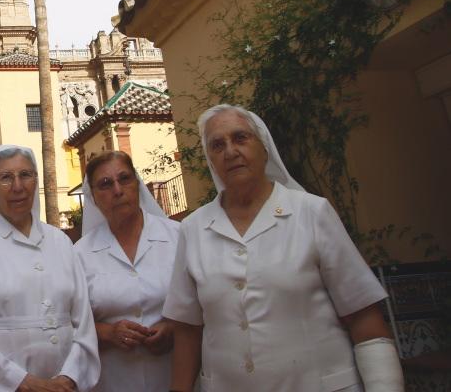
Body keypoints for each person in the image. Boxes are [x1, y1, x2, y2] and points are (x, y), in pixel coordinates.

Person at [164, 104, 404, 392]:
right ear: (210, 160)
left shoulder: (311, 213)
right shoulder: (193, 229)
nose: (230, 151)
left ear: (264, 148)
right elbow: (188, 330)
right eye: (217, 145)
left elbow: (363, 317)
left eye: (240, 138)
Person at [0, 145, 100, 392]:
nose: (18, 186)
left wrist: (70, 377)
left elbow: (84, 323)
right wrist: (22, 382)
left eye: (26, 175)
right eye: (6, 177)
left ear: (36, 181)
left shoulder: (59, 241)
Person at [74, 150, 179, 391]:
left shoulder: (178, 237)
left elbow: (202, 303)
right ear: (93, 197)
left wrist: (174, 328)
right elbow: (71, 323)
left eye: (124, 179)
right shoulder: (80, 254)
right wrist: (108, 333)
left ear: (137, 184)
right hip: (113, 380)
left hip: (173, 375)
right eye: (105, 184)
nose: (118, 190)